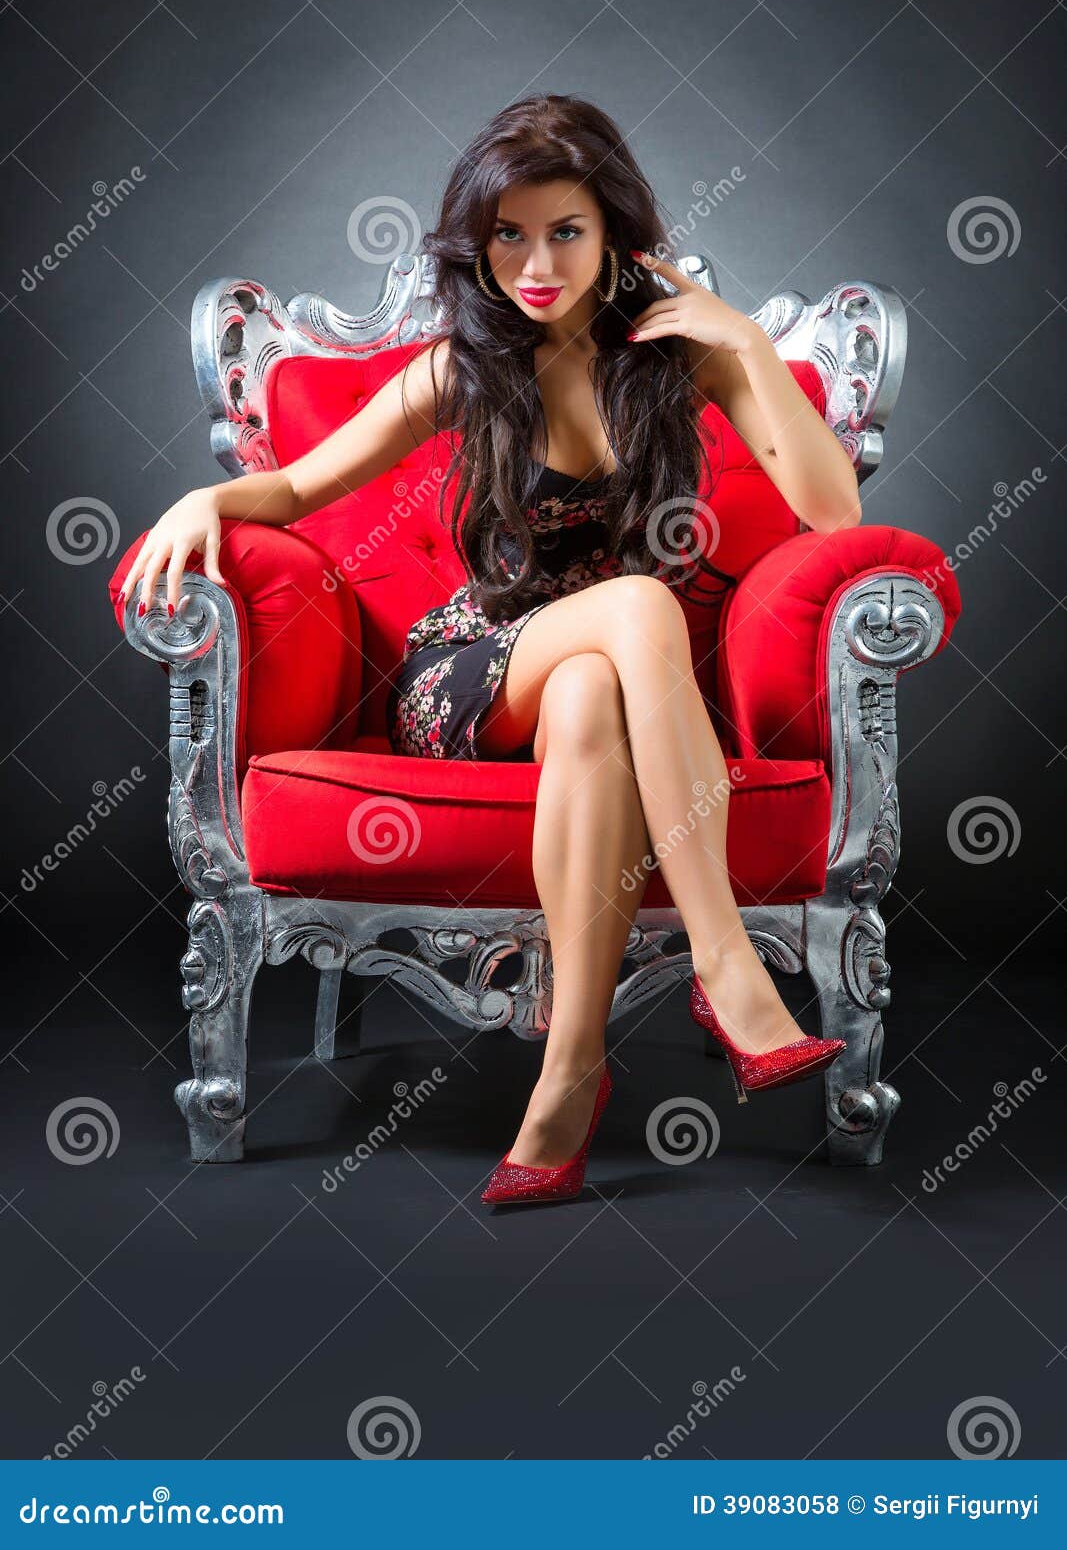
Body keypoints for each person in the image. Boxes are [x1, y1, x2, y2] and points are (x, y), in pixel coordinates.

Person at [119, 94, 861, 1206]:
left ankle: (565, 1081)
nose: (534, 263)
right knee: (638, 612)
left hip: (598, 680)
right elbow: (295, 484)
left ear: (614, 235)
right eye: (507, 234)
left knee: (590, 692)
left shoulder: (674, 361)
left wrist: (743, 341)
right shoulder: (459, 369)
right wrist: (201, 497)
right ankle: (727, 967)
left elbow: (834, 518)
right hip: (468, 670)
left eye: (563, 230)